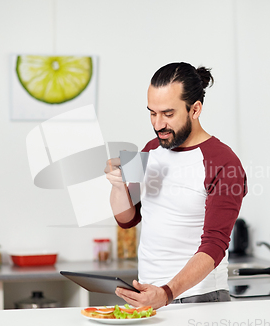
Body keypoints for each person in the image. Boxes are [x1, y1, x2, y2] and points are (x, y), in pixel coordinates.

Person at [104, 62, 247, 309]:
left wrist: (166, 293)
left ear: (195, 109)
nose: (158, 124)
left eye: (168, 114)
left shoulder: (223, 162)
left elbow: (215, 246)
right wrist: (118, 185)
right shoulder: (151, 149)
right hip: (151, 297)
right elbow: (128, 219)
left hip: (200, 299)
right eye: (152, 113)